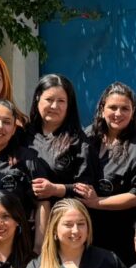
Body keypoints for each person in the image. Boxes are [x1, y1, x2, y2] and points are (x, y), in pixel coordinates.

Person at [74, 82, 136, 266]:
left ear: (133, 111)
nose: (118, 114)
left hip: (123, 233)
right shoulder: (88, 137)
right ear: (102, 109)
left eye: (124, 108)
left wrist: (97, 202)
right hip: (90, 232)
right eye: (112, 107)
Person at [0, 98, 51, 244]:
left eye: (7, 122)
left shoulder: (27, 159)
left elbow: (43, 202)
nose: (0, 126)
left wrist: (39, 246)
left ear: (14, 128)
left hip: (16, 247)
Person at [23, 73, 92, 203]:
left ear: (68, 105)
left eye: (61, 101)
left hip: (62, 216)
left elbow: (86, 189)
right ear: (38, 98)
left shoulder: (79, 142)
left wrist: (56, 189)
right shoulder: (23, 133)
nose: (54, 106)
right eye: (49, 99)